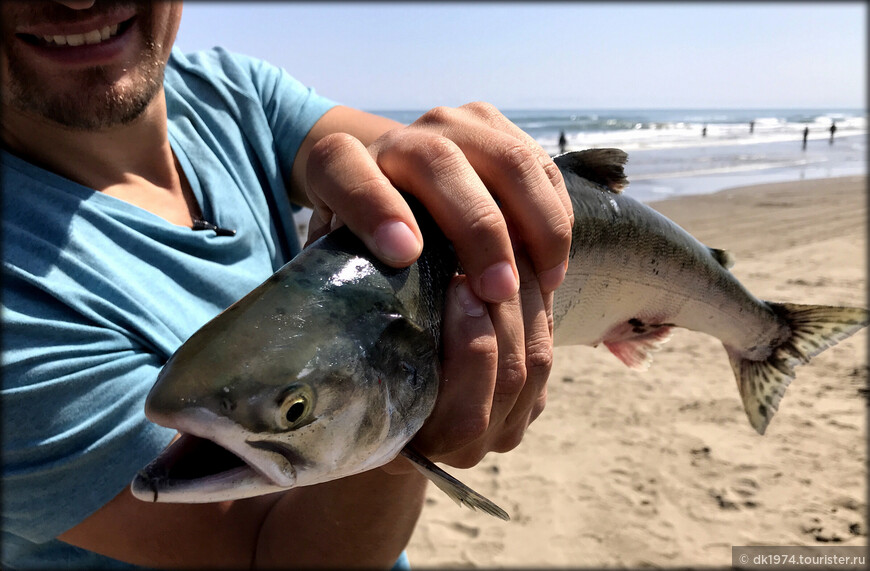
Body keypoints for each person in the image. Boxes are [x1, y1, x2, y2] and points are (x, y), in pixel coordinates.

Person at [1, 1, 573, 569]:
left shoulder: (227, 92)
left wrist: (442, 161)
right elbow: (272, 556)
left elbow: (416, 167)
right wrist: (399, 440)